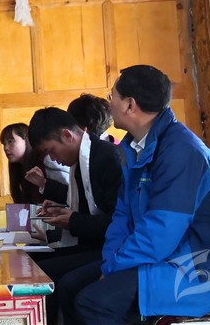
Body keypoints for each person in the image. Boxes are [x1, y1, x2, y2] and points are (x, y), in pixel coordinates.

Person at [67, 65, 210, 324]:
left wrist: (113, 268)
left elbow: (161, 232)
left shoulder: (183, 152)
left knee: (93, 302)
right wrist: (111, 262)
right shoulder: (134, 147)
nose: (110, 103)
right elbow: (122, 216)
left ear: (129, 105)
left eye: (112, 96)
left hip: (193, 268)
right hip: (157, 256)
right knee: (69, 286)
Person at [27, 107, 122, 325]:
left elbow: (118, 222)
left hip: (112, 247)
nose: (53, 159)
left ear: (67, 135)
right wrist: (63, 212)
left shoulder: (107, 157)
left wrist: (72, 220)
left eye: (51, 151)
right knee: (33, 262)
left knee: (55, 278)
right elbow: (86, 204)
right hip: (94, 243)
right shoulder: (81, 160)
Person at [0, 122, 69, 204]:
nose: (6, 148)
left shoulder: (47, 159)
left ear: (26, 140)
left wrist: (43, 183)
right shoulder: (18, 168)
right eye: (4, 144)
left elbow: (70, 193)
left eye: (10, 141)